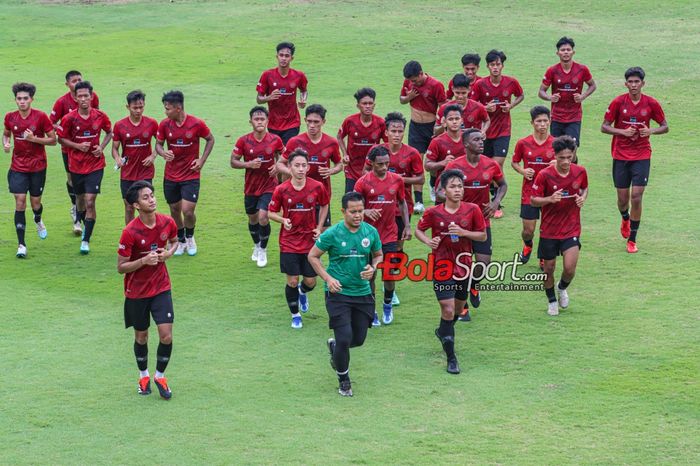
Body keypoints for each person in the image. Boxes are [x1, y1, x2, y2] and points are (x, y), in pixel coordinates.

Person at [308, 192, 383, 397]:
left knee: (358, 339)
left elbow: (378, 255)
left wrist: (373, 267)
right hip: (338, 293)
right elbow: (313, 256)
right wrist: (328, 279)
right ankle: (344, 381)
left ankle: (335, 348)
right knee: (344, 338)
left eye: (360, 211)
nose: (358, 215)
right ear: (343, 212)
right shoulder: (332, 234)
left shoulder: (371, 232)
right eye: (353, 212)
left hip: (362, 293)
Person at [415, 169, 486, 374]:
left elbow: (482, 236)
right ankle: (451, 358)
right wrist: (428, 240)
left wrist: (464, 233)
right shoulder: (433, 212)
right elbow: (420, 229)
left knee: (456, 310)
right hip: (442, 266)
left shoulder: (473, 210)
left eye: (460, 186)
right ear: (443, 190)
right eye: (453, 187)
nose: (457, 190)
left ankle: (443, 331)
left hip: (464, 267)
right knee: (447, 309)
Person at [117, 180, 179, 399]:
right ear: (136, 204)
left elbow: (174, 241)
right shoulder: (130, 232)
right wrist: (143, 261)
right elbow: (121, 267)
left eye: (152, 195)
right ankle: (143, 375)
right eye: (146, 197)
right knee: (141, 337)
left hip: (161, 287)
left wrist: (169, 254)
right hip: (137, 293)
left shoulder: (167, 222)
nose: (152, 199)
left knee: (166, 335)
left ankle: (160, 376)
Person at [601, 67, 668, 253]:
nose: (633, 85)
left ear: (643, 84)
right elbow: (604, 127)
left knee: (636, 196)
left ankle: (632, 239)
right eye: (630, 82)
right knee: (623, 200)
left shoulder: (651, 103)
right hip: (620, 155)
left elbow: (665, 126)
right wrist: (622, 132)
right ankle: (625, 217)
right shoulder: (618, 102)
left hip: (642, 155)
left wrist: (650, 131)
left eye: (637, 82)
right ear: (625, 84)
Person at [444, 128, 507, 321]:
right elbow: (440, 190)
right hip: (458, 222)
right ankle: (462, 309)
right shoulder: (454, 166)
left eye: (482, 139)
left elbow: (502, 184)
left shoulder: (491, 165)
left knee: (483, 263)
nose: (481, 142)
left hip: (481, 220)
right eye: (477, 140)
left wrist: (495, 202)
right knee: (460, 266)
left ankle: (473, 285)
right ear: (465, 145)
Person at [366, 112, 424, 306]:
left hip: (401, 206)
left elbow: (421, 179)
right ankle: (380, 280)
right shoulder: (377, 152)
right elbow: (366, 172)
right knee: (376, 248)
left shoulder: (412, 153)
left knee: (398, 247)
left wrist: (397, 180)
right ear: (386, 131)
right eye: (393, 131)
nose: (397, 134)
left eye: (400, 131)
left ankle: (389, 280)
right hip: (378, 208)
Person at [268, 149, 329, 329]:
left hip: (309, 242)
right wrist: (283, 219)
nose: (301, 169)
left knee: (311, 281)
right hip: (288, 242)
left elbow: (325, 205)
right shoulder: (281, 189)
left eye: (304, 165)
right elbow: (270, 212)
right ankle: (295, 314)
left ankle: (303, 292)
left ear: (308, 167)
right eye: (297, 165)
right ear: (289, 167)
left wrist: (319, 227)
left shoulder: (317, 187)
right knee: (292, 280)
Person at [530, 136, 588, 316]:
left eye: (569, 157)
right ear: (555, 155)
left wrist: (582, 198)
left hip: (571, 228)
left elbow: (584, 188)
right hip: (549, 229)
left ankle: (562, 287)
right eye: (562, 157)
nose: (565, 161)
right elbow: (533, 200)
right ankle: (551, 300)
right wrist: (549, 199)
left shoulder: (580, 172)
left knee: (569, 269)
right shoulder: (544, 175)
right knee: (549, 269)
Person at [354, 145, 410, 326]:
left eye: (387, 163)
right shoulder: (362, 183)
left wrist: (407, 225)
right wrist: (366, 212)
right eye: (380, 164)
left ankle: (387, 304)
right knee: (370, 275)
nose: (385, 167)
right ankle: (372, 310)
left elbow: (402, 203)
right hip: (367, 237)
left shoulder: (397, 180)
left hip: (389, 235)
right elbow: (353, 209)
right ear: (371, 163)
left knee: (389, 275)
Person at [155, 90, 215, 257]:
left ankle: (190, 236)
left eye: (168, 108)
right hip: (171, 175)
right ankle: (180, 239)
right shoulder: (164, 125)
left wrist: (202, 160)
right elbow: (158, 145)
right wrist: (163, 153)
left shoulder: (196, 124)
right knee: (174, 209)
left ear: (178, 108)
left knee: (188, 211)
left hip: (191, 174)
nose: (165, 112)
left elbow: (210, 139)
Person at [56, 81, 112, 255]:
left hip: (95, 165)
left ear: (91, 96)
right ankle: (78, 220)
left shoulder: (100, 116)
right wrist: (77, 146)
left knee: (90, 200)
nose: (83, 99)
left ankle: (86, 241)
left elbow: (110, 132)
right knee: (80, 199)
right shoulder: (69, 118)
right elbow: (61, 139)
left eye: (86, 96)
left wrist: (101, 147)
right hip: (76, 165)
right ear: (75, 98)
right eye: (79, 96)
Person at [3, 82, 56, 258]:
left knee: (35, 203)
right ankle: (21, 244)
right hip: (18, 166)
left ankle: (38, 219)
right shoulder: (10, 117)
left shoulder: (41, 117)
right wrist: (6, 143)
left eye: (26, 98)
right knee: (19, 201)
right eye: (19, 99)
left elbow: (53, 140)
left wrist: (34, 139)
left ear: (31, 99)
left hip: (38, 166)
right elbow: (6, 133)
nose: (22, 102)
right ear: (15, 100)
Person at [471, 50, 523, 218]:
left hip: (503, 130)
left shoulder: (511, 82)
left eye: (498, 64)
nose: (495, 67)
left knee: (496, 164)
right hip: (485, 132)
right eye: (492, 65)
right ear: (487, 66)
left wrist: (511, 106)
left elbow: (520, 95)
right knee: (486, 165)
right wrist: (485, 108)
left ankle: (496, 201)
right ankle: (488, 200)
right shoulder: (480, 85)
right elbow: (473, 103)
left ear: (502, 66)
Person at [231, 106, 284, 267]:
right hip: (251, 188)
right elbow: (233, 161)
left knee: (263, 217)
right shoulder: (243, 140)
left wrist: (278, 166)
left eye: (262, 119)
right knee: (252, 219)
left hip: (269, 185)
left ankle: (263, 249)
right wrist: (249, 164)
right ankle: (256, 245)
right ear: (251, 121)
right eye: (256, 119)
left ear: (267, 121)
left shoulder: (275, 140)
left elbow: (284, 157)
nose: (259, 121)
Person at [50, 70, 100, 235]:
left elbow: (97, 117)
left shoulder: (93, 97)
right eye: (73, 80)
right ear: (67, 84)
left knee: (89, 186)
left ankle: (84, 211)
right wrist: (65, 130)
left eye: (80, 79)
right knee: (72, 179)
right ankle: (76, 208)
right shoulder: (62, 102)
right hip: (70, 149)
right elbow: (51, 123)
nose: (77, 82)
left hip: (90, 149)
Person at [277, 104, 342, 230]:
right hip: (298, 195)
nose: (312, 125)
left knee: (322, 233)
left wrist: (331, 170)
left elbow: (339, 164)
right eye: (309, 121)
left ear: (323, 122)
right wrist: (291, 172)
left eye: (316, 122)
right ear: (305, 120)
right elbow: (280, 163)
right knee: (298, 230)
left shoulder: (331, 143)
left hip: (321, 195)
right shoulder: (295, 142)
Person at [511, 106, 555, 269]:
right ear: (532, 123)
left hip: (550, 193)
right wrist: (522, 170)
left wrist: (557, 164)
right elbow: (514, 162)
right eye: (539, 121)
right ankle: (528, 244)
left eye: (545, 121)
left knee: (547, 229)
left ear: (550, 122)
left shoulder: (556, 143)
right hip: (529, 193)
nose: (542, 124)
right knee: (528, 230)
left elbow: (569, 163)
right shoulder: (523, 143)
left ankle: (543, 256)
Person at [399, 60, 446, 213]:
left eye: (414, 80)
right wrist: (409, 97)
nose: (413, 83)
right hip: (415, 128)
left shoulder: (436, 85)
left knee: (433, 162)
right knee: (416, 162)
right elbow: (401, 100)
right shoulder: (409, 83)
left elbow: (443, 106)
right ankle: (418, 201)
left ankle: (433, 185)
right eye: (410, 81)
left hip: (431, 128)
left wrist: (440, 126)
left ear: (421, 74)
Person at [538, 37, 596, 149]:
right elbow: (541, 91)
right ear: (557, 53)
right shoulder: (552, 70)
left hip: (574, 116)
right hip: (556, 117)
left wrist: (583, 96)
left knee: (572, 148)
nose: (565, 52)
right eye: (563, 50)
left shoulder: (582, 69)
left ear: (573, 52)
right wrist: (550, 98)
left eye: (568, 50)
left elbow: (592, 85)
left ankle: (573, 165)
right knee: (556, 149)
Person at [112, 90, 159, 225]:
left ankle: (148, 233)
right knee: (129, 207)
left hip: (145, 172)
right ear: (128, 107)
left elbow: (160, 142)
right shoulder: (120, 125)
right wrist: (117, 159)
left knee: (147, 207)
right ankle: (130, 236)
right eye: (135, 107)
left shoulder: (152, 123)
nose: (138, 110)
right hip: (127, 173)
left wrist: (153, 155)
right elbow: (114, 148)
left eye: (141, 107)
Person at [256, 41, 308, 144]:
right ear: (277, 56)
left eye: (287, 56)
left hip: (292, 122)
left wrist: (304, 100)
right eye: (281, 55)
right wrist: (269, 97)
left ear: (291, 58)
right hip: (273, 122)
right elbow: (259, 99)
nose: (283, 58)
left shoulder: (299, 75)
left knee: (287, 151)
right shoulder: (267, 75)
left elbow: (304, 90)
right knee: (277, 152)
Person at [337, 88, 386, 193]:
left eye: (370, 103)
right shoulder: (350, 121)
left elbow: (387, 144)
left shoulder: (381, 123)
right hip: (352, 170)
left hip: (371, 169)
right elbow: (339, 136)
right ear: (358, 106)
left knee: (370, 200)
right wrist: (344, 154)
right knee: (351, 201)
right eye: (364, 103)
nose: (367, 106)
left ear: (374, 105)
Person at [425, 104, 466, 188]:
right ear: (445, 122)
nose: (454, 122)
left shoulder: (468, 139)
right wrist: (443, 163)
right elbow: (427, 166)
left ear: (461, 120)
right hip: (444, 185)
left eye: (457, 119)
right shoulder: (437, 141)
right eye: (450, 119)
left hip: (466, 183)